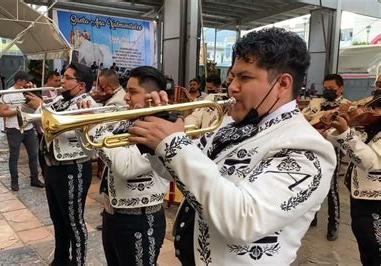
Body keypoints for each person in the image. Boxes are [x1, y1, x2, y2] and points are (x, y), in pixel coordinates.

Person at [128, 27, 336, 264]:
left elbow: (244, 221)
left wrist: (175, 143)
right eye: (232, 77)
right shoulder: (229, 125)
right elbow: (180, 172)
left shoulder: (307, 148)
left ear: (282, 84)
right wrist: (154, 136)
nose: (232, 87)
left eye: (244, 78)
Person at [78, 66, 170, 265]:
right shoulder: (125, 122)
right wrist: (82, 128)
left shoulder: (160, 128)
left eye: (133, 92)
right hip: (112, 215)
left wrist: (96, 130)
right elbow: (91, 153)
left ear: (152, 95)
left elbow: (126, 167)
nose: (126, 97)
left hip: (142, 221)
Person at [26, 62, 99, 266]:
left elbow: (63, 127)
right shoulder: (61, 99)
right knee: (58, 218)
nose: (62, 81)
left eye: (67, 78)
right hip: (52, 166)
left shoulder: (87, 104)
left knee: (74, 223)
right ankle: (60, 259)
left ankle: (77, 262)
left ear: (81, 85)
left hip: (72, 168)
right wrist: (36, 106)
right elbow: (45, 121)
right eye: (63, 77)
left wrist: (40, 107)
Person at [322, 86, 380, 265]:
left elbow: (370, 162)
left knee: (375, 252)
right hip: (362, 200)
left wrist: (345, 133)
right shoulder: (372, 128)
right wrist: (335, 127)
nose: (369, 109)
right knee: (367, 250)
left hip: (376, 203)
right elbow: (345, 143)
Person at [305, 74, 351, 241]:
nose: (328, 91)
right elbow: (304, 116)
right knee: (313, 183)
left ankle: (334, 223)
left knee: (332, 189)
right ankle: (312, 216)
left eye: (331, 89)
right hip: (314, 148)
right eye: (326, 88)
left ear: (341, 89)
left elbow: (345, 130)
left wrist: (326, 133)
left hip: (332, 149)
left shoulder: (346, 106)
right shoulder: (316, 102)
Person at [0, 71, 44, 191]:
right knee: (14, 156)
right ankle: (14, 181)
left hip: (28, 128)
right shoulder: (7, 94)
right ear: (19, 81)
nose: (28, 83)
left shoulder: (28, 93)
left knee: (33, 155)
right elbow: (1, 112)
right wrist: (18, 110)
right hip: (14, 129)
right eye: (26, 81)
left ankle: (34, 179)